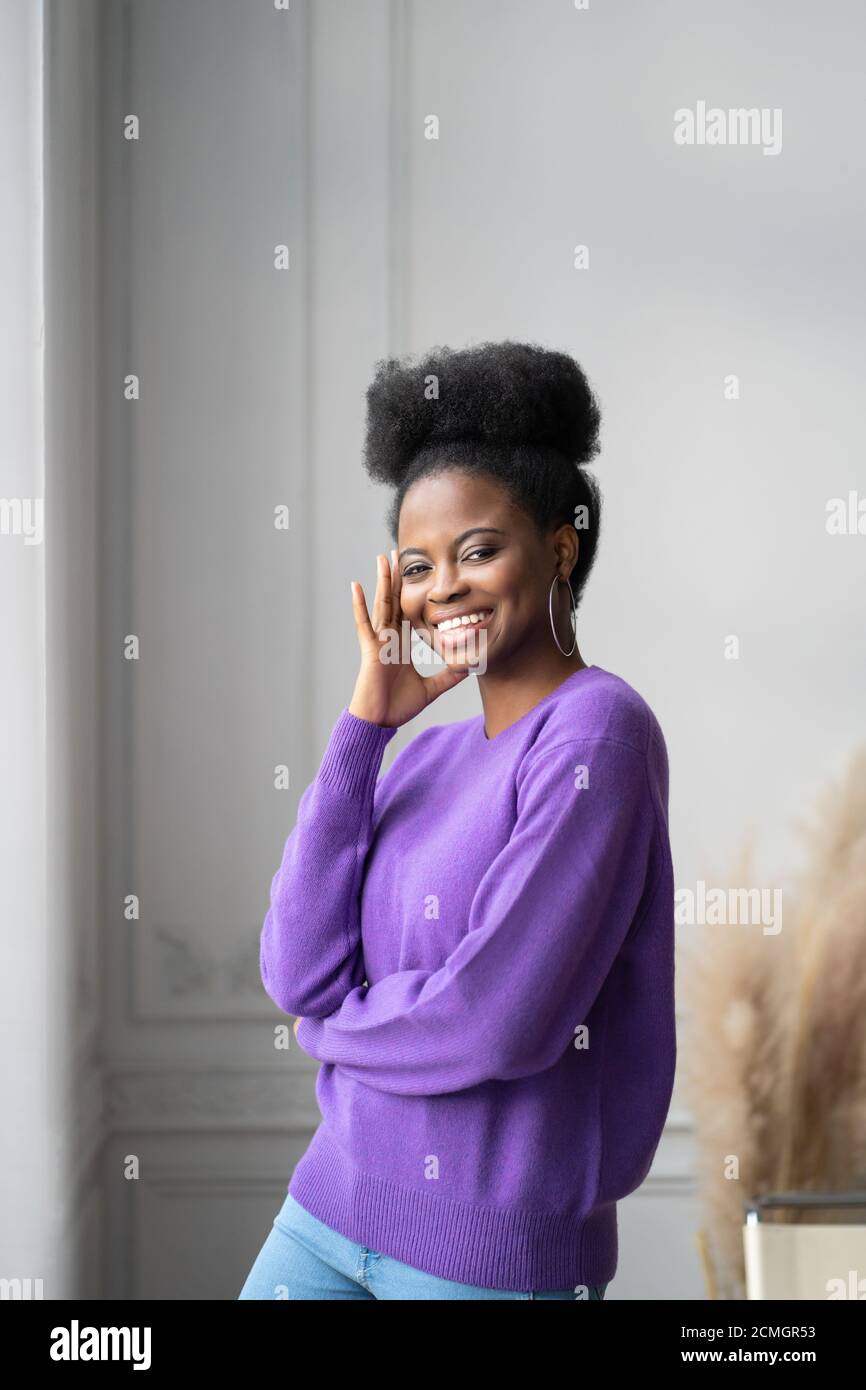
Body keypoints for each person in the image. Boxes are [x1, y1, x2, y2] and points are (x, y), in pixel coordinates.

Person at [238, 340, 676, 1300]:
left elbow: (498, 1020)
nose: (445, 589)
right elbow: (296, 966)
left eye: (478, 550)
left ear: (560, 545)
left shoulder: (598, 730)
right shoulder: (425, 755)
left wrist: (330, 1035)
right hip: (327, 1208)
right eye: (418, 565)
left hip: (485, 1257)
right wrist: (366, 724)